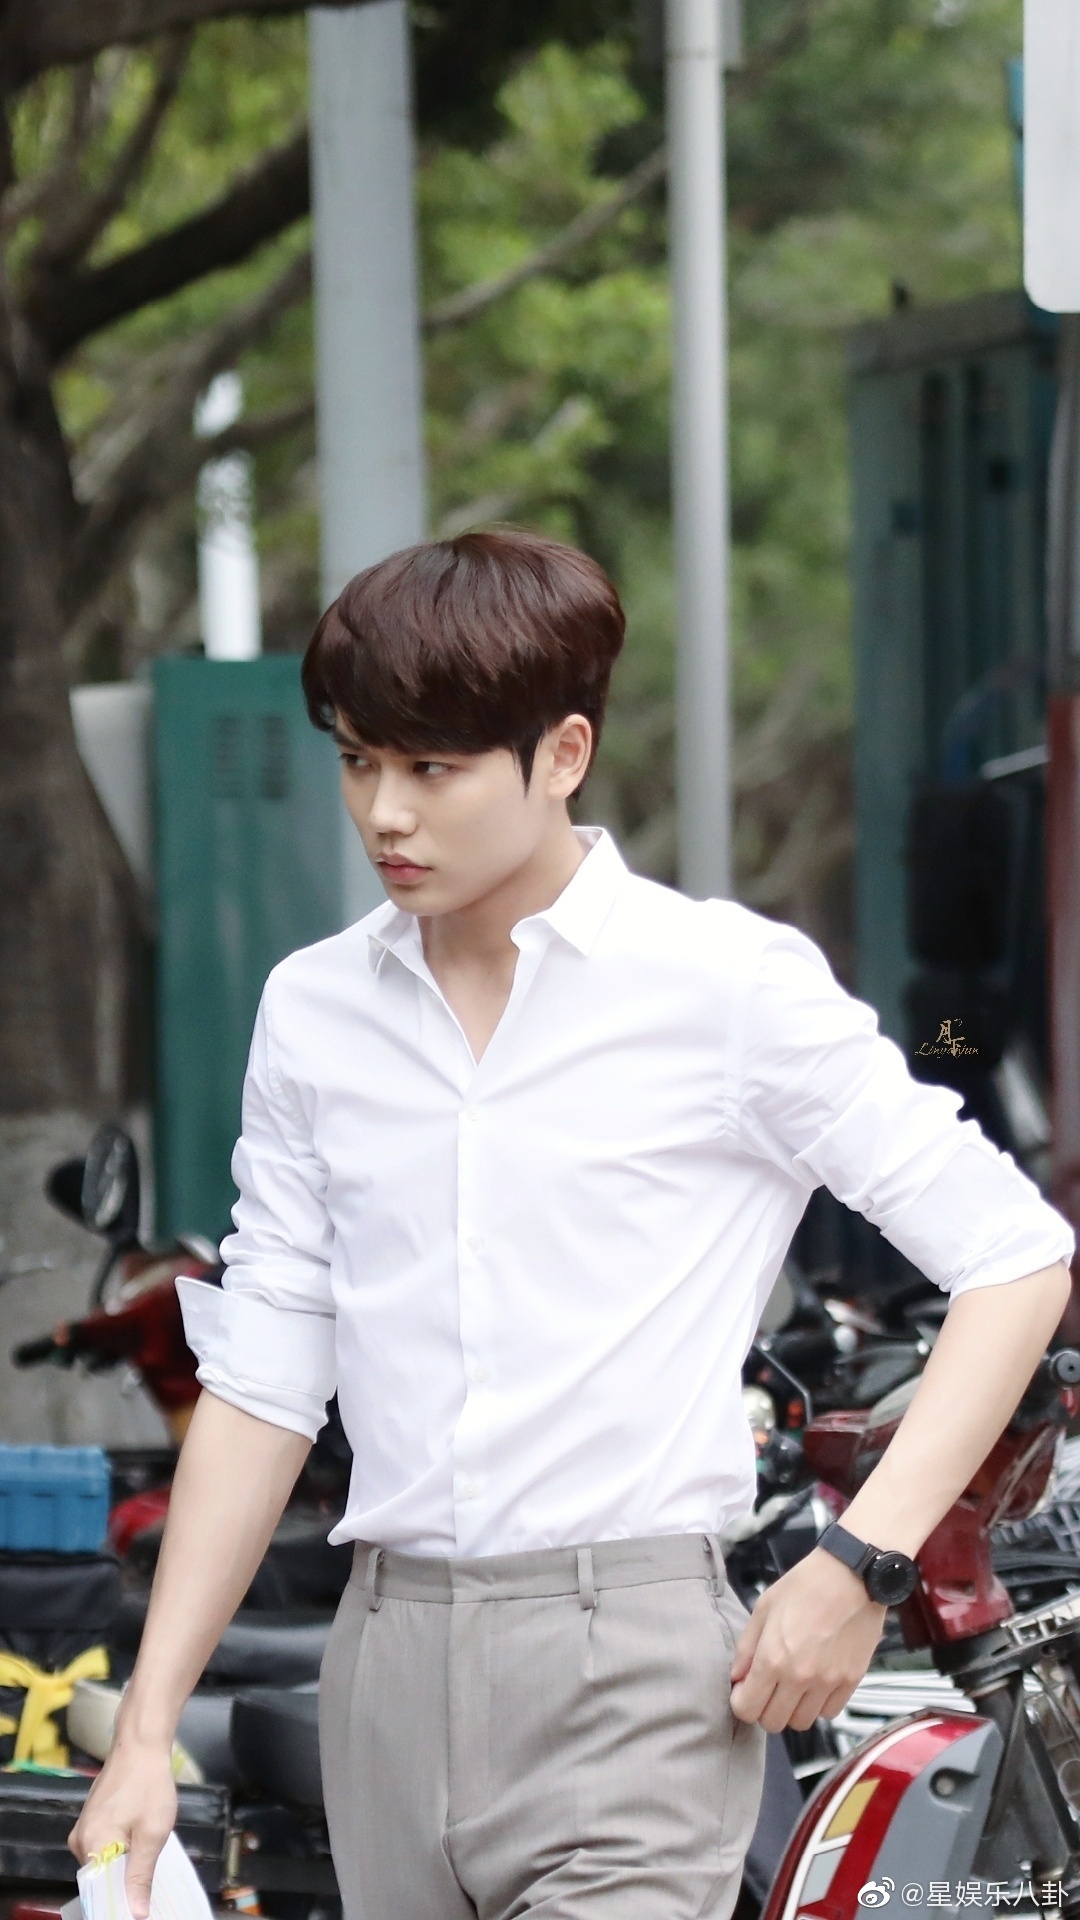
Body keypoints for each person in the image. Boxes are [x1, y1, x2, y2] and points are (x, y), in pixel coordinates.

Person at [71, 530, 1074, 1920]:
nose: (385, 814)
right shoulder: (314, 1010)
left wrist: (861, 1562)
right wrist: (144, 1729)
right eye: (358, 760)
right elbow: (265, 1382)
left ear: (563, 754)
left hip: (633, 1674)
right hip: (386, 1666)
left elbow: (1015, 1258)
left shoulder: (721, 986)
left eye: (432, 769)